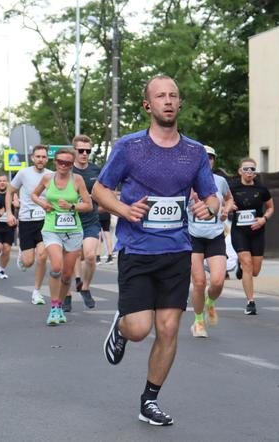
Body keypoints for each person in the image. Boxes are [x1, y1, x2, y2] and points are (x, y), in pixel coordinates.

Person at [93, 75, 218, 426]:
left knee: (167, 329)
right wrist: (124, 210)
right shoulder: (130, 147)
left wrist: (209, 206)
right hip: (137, 250)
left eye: (173, 96)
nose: (167, 101)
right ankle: (121, 328)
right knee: (138, 329)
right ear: (148, 105)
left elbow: (211, 195)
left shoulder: (194, 152)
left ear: (179, 104)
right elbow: (100, 190)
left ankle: (149, 400)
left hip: (177, 251)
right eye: (160, 96)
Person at [31, 148, 92, 326]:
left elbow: (88, 205)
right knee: (56, 266)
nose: (63, 165)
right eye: (60, 162)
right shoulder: (47, 178)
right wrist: (43, 203)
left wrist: (72, 206)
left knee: (66, 275)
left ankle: (61, 302)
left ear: (72, 164)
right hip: (51, 228)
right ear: (55, 162)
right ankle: (55, 307)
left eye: (67, 163)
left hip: (73, 230)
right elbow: (34, 194)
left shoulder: (78, 180)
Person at [188, 145, 233, 338]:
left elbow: (229, 199)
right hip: (193, 236)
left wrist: (226, 209)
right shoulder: (186, 180)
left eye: (211, 157)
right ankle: (198, 322)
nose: (207, 160)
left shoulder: (220, 181)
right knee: (199, 282)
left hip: (215, 236)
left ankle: (210, 302)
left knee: (217, 282)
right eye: (204, 157)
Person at [6, 145, 52, 305]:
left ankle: (37, 292)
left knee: (43, 256)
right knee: (28, 262)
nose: (41, 159)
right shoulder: (24, 173)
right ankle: (22, 255)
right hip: (26, 221)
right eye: (38, 156)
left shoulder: (51, 175)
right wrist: (10, 213)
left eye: (44, 157)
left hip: (45, 221)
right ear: (33, 158)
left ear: (47, 158)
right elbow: (9, 191)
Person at [230, 158, 274, 314]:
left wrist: (264, 219)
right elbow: (222, 202)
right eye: (246, 169)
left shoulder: (261, 189)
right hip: (239, 232)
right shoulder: (232, 188)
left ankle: (241, 266)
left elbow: (270, 207)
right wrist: (229, 205)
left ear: (255, 173)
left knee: (255, 271)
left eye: (252, 169)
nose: (249, 172)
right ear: (240, 171)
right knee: (248, 264)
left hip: (257, 232)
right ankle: (250, 302)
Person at [69, 134, 101, 311]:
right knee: (74, 255)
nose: (84, 154)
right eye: (80, 150)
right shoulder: (68, 171)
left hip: (91, 220)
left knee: (89, 256)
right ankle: (75, 282)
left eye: (87, 151)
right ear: (74, 150)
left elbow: (105, 191)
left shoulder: (96, 171)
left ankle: (86, 287)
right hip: (70, 221)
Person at [0, 174, 18, 280]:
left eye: (4, 181)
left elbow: (17, 207)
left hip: (8, 226)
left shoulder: (12, 194)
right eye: (0, 181)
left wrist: (17, 205)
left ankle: (1, 270)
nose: (2, 183)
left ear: (7, 182)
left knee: (7, 249)